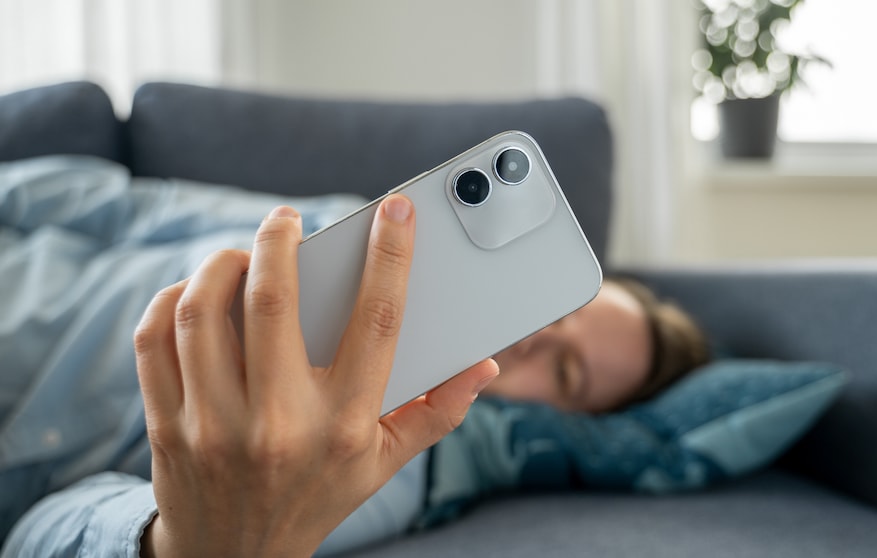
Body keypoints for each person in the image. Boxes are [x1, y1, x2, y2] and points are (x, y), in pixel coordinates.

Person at [0, 161, 707, 557]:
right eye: (556, 309)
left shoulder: (380, 469)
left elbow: (54, 532)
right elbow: (136, 210)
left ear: (557, 422)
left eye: (566, 373)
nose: (535, 340)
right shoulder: (354, 220)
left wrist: (183, 546)